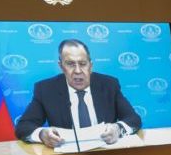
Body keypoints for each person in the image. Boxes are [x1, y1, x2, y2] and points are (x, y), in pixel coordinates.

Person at [14, 39, 142, 147]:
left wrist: (118, 129)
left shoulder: (109, 85)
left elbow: (133, 119)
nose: (78, 71)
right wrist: (42, 134)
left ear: (90, 66)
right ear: (61, 66)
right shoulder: (46, 89)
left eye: (82, 64)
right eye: (70, 64)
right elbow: (24, 126)